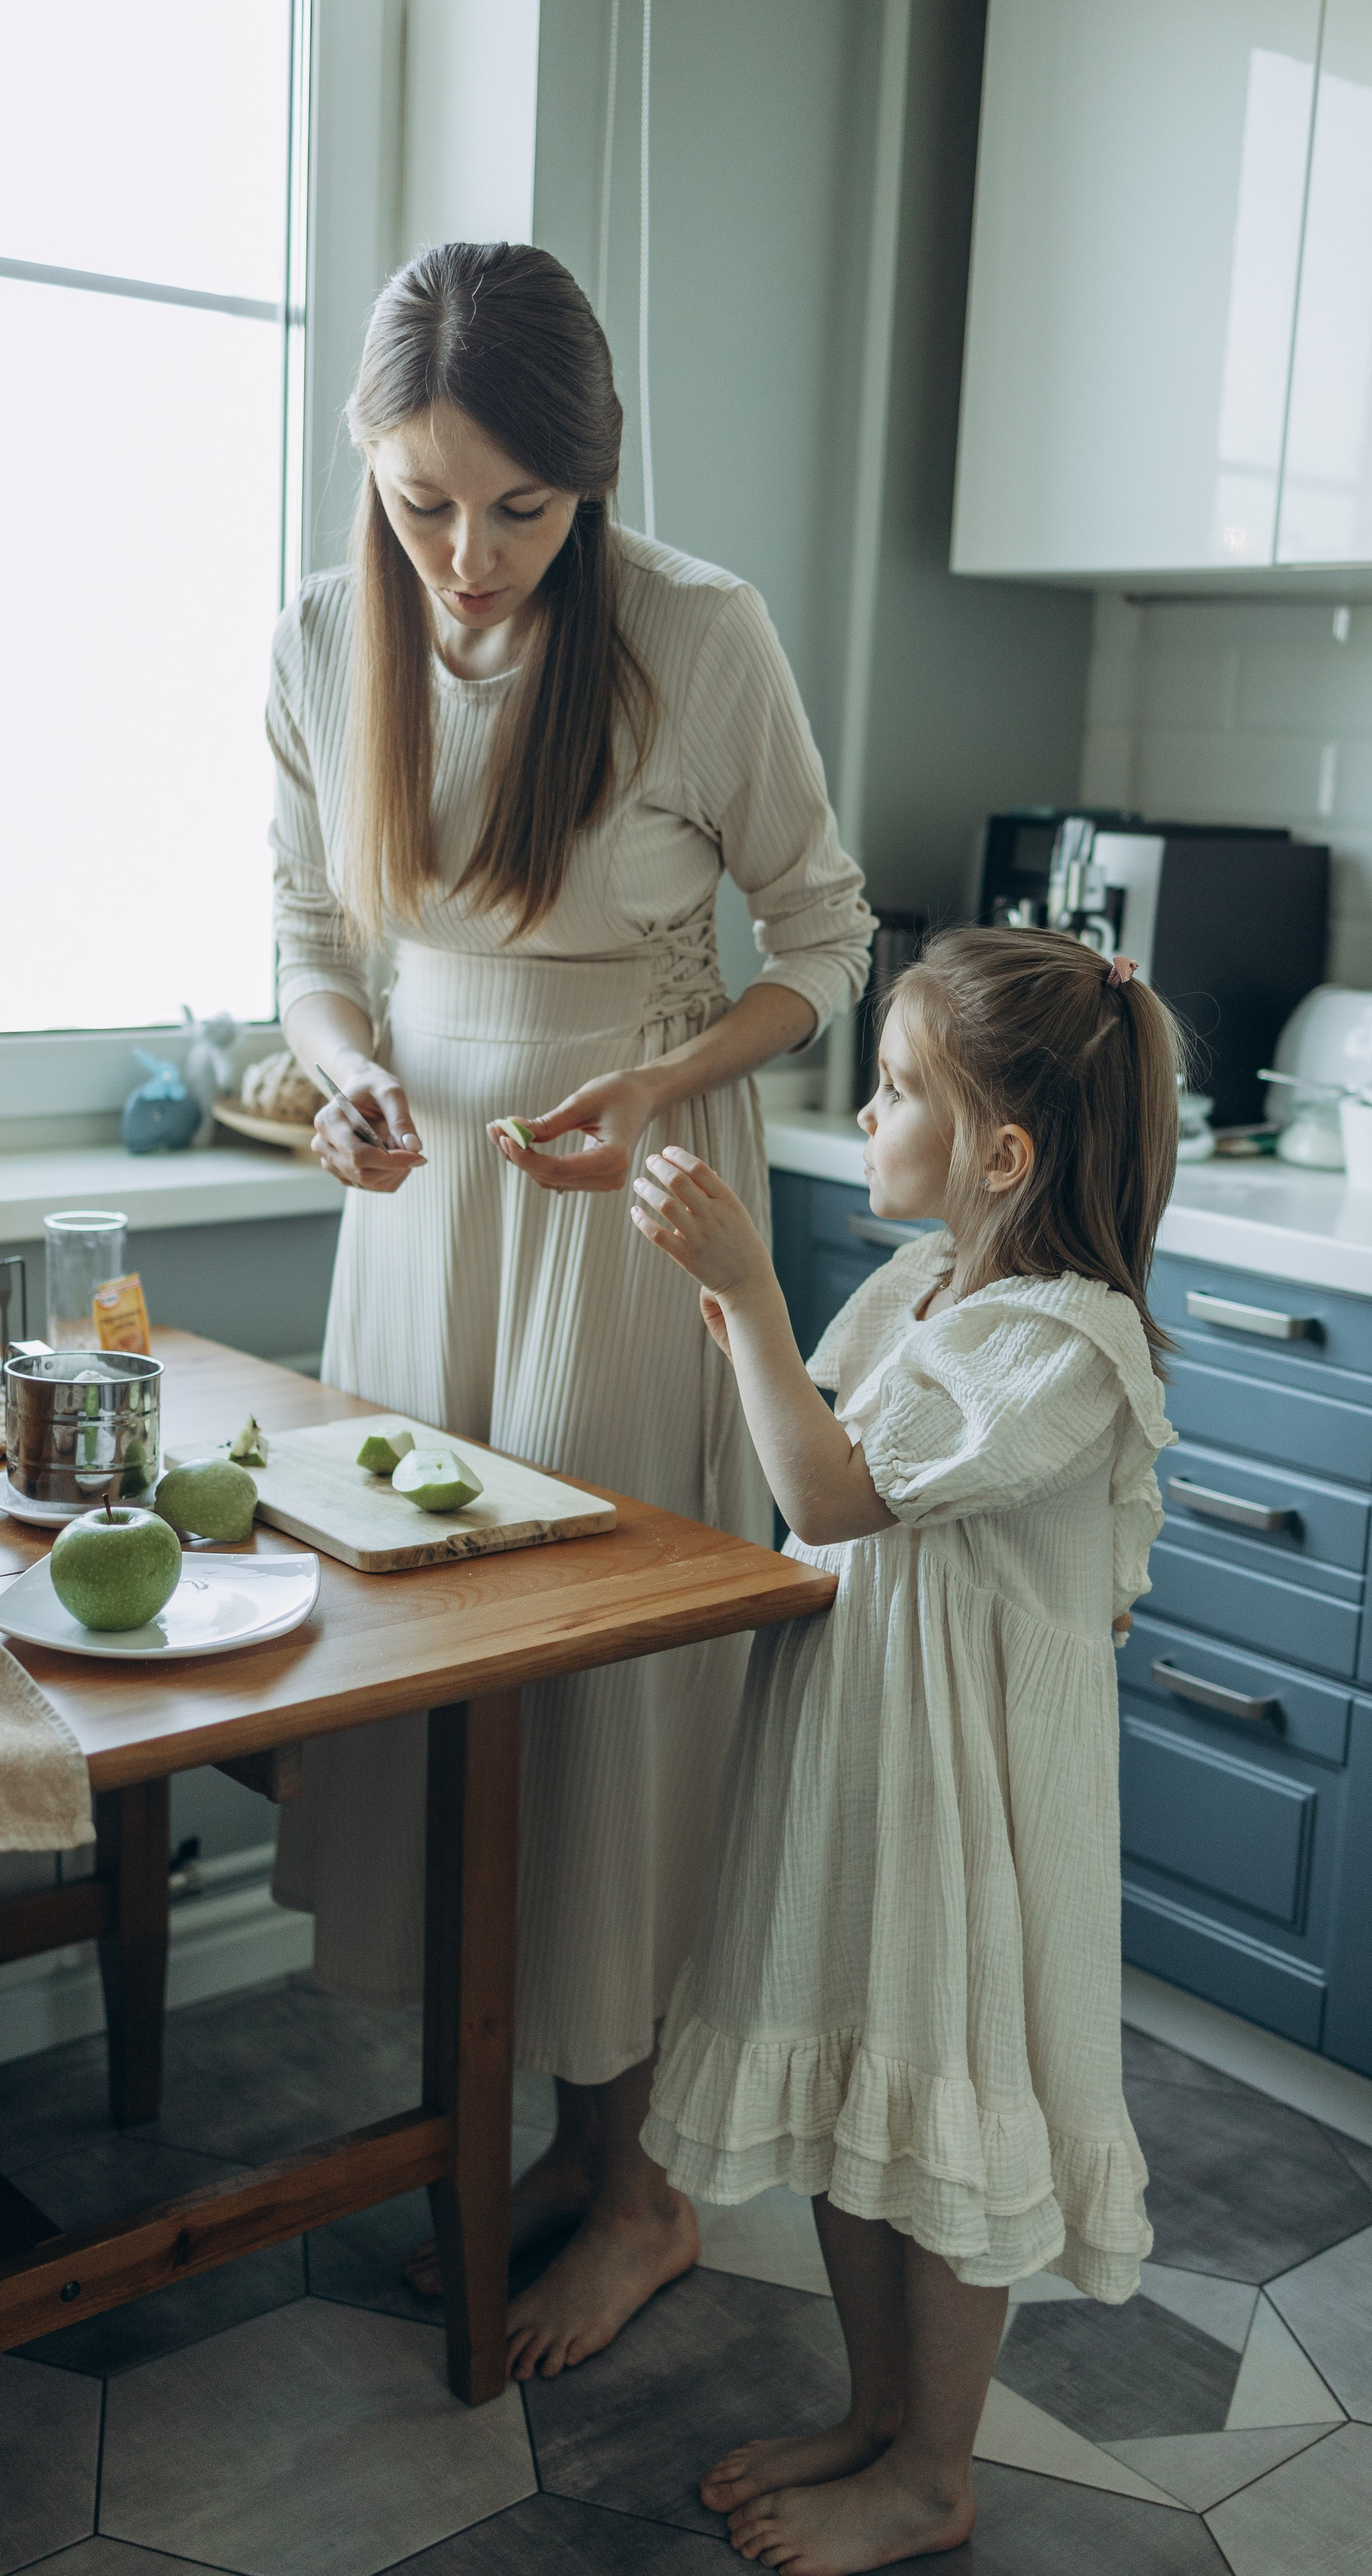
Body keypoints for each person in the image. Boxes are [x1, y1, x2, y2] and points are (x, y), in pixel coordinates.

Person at [266, 241, 872, 2381]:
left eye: (521, 510)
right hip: (421, 1214)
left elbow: (829, 937)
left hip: (634, 1219)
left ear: (590, 485)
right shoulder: (329, 638)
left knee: (606, 1695)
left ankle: (637, 2188)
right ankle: (521, 2130)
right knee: (445, 1672)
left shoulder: (700, 638)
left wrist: (671, 1084)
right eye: (427, 500)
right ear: (373, 459)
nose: (469, 555)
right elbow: (301, 932)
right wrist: (344, 1071)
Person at [629, 928, 1180, 2573]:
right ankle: (876, 2413)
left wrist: (743, 1292)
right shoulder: (927, 1287)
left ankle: (932, 2471)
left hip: (960, 1801)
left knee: (939, 2119)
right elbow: (815, 1426)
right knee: (858, 2098)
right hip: (861, 1755)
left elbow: (828, 1494)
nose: (862, 1119)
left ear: (1000, 1155)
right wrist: (738, 1324)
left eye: (891, 1094)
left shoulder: (1059, 1344)